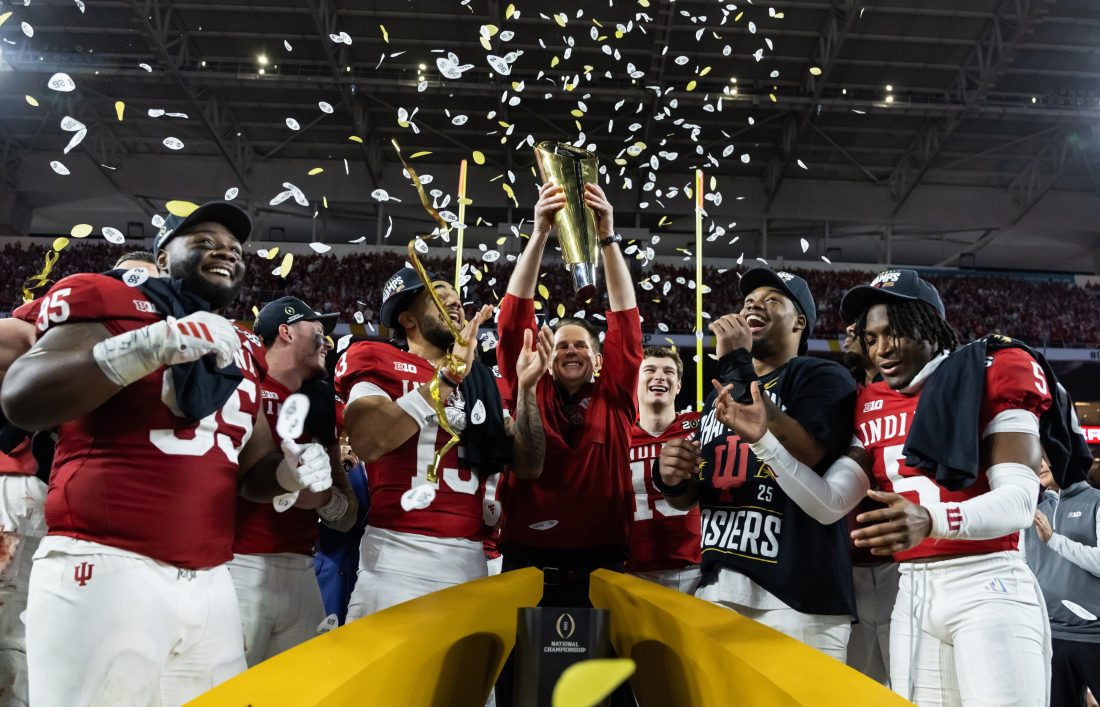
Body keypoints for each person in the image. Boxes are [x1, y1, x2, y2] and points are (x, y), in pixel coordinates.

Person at [0, 201, 333, 706]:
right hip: (107, 564)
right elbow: (23, 398)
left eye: (234, 247)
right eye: (203, 241)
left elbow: (252, 472)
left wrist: (290, 473)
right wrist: (147, 346)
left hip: (213, 582)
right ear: (163, 253)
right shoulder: (109, 297)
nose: (224, 251)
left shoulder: (239, 345)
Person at [706, 268, 1057, 703]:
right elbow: (829, 503)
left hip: (987, 581)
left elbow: (1021, 501)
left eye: (895, 333)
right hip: (912, 590)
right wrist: (764, 443)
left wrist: (932, 519)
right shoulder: (872, 402)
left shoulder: (994, 368)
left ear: (930, 325)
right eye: (871, 339)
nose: (882, 349)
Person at [657, 268, 857, 660]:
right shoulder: (719, 398)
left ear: (799, 321)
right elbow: (695, 496)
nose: (753, 305)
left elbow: (811, 454)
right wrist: (673, 479)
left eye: (771, 300)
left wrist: (736, 363)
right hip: (720, 586)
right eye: (749, 301)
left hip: (799, 596)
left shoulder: (820, 374)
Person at [334, 267, 547, 618]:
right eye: (438, 294)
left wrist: (527, 390)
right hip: (395, 559)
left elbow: (528, 465)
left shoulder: (481, 383)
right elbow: (369, 441)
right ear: (407, 318)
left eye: (456, 296)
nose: (454, 300)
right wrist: (447, 378)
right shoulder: (379, 359)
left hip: (470, 561)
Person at [0, 250, 162, 706]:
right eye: (139, 283)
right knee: (13, 625)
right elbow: (15, 334)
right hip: (27, 480)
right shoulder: (84, 305)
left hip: (77, 494)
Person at [495, 180, 642, 608]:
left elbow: (626, 324)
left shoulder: (615, 397)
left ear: (599, 360)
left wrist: (608, 239)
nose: (571, 350)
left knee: (606, 676)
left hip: (605, 562)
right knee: (521, 674)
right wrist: (540, 232)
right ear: (547, 353)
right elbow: (511, 323)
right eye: (561, 345)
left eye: (581, 345)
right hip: (527, 558)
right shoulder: (531, 385)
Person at [229, 296, 358, 666]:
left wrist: (322, 501)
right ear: (285, 331)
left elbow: (346, 514)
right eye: (317, 331)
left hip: (302, 570)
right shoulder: (242, 382)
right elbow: (241, 479)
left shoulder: (320, 404)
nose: (327, 341)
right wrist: (287, 479)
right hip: (238, 563)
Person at [842, 321, 898, 685]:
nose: (848, 329)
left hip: (900, 558)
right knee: (859, 682)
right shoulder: (842, 392)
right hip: (848, 560)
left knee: (905, 680)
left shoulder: (906, 395)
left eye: (859, 328)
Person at [1026, 456, 1100, 707]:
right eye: (1037, 459)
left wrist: (1053, 539)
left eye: (1047, 457)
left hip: (1094, 635)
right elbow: (1025, 568)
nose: (1040, 465)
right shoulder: (1032, 511)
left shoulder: (1096, 502)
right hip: (1050, 635)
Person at [626, 346, 701, 593]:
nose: (660, 376)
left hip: (693, 570)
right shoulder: (618, 434)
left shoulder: (701, 427)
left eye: (668, 371)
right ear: (636, 380)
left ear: (678, 386)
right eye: (650, 370)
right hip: (631, 570)